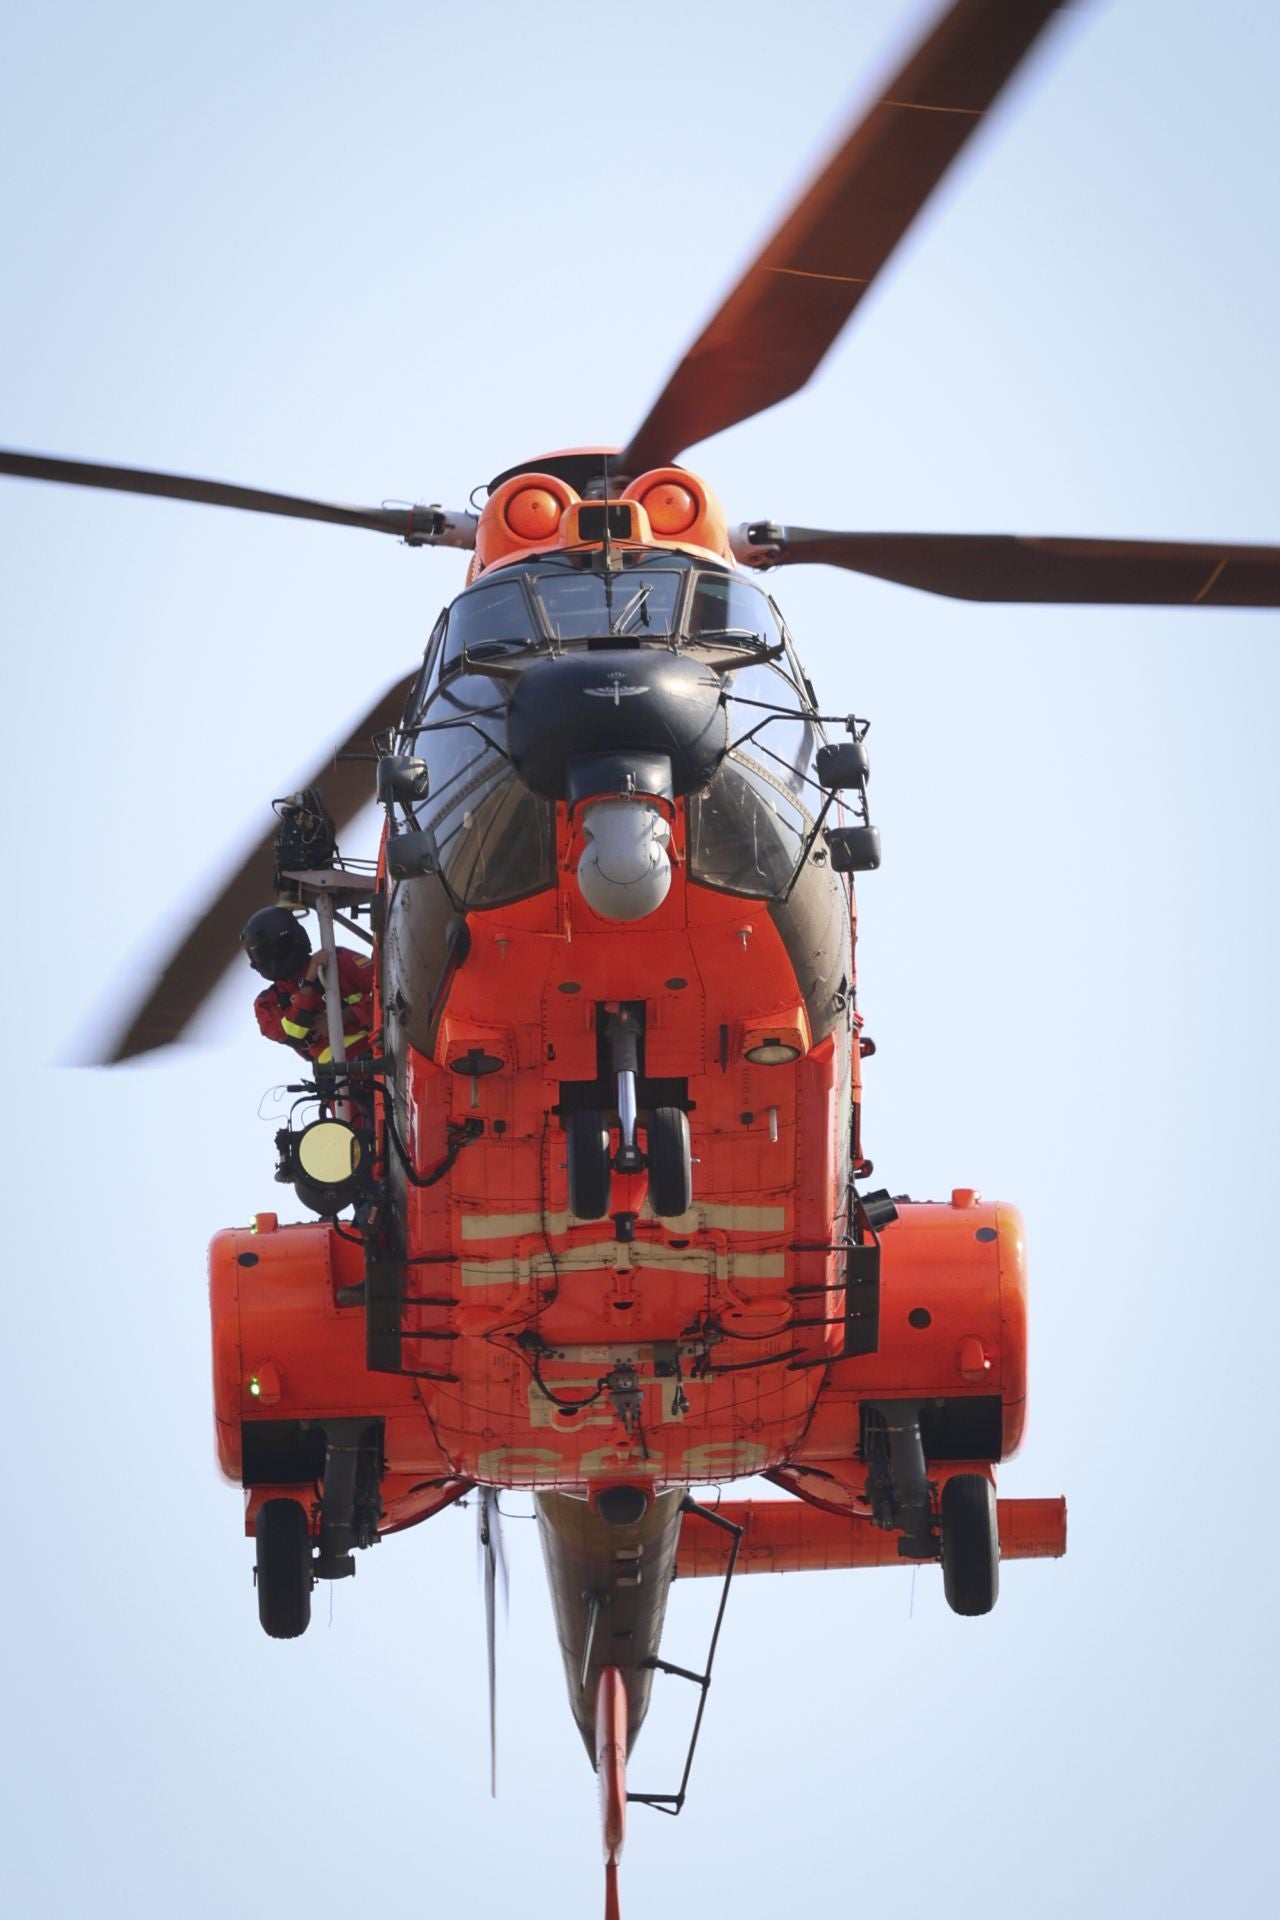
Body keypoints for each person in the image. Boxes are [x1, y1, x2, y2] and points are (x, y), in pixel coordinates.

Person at [241, 907, 375, 1062]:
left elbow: (387, 994)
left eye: (277, 949)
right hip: (337, 1078)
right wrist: (309, 979)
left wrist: (346, 1016)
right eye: (262, 954)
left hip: (379, 1055)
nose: (272, 958)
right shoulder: (267, 1003)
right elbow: (295, 1033)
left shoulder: (336, 960)